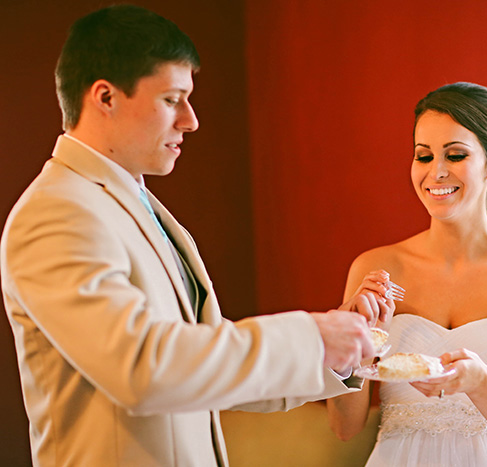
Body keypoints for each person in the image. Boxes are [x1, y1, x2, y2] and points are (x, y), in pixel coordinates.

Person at [0, 5, 389, 466]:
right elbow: (141, 368)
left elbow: (199, 354)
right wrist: (310, 336)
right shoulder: (56, 211)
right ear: (105, 97)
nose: (191, 120)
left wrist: (334, 356)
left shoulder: (136, 206)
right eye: (171, 99)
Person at [327, 82, 487, 466]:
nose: (436, 172)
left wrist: (481, 383)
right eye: (423, 156)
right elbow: (344, 427)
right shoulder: (374, 268)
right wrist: (351, 337)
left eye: (455, 155)